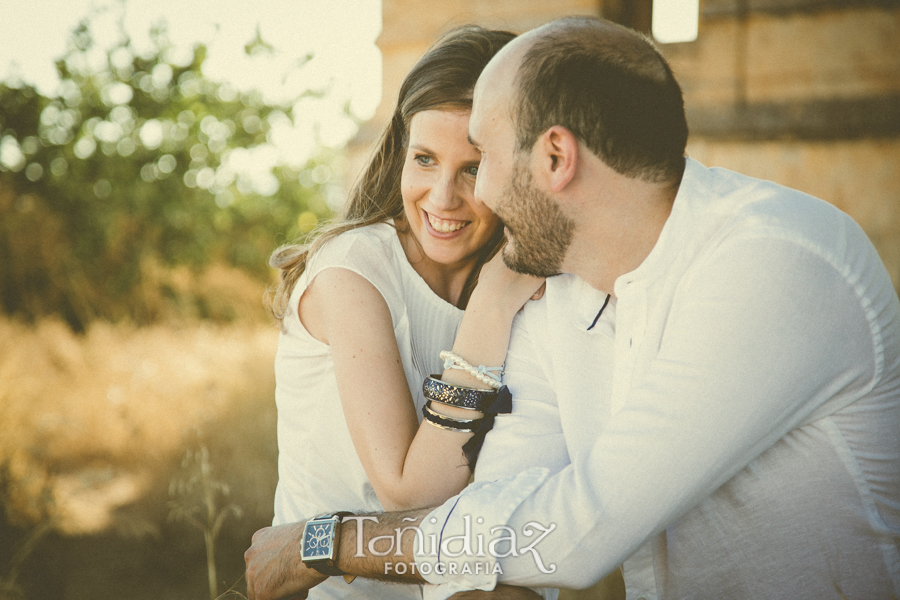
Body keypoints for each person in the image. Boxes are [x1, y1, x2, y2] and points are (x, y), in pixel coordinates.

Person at [246, 15, 900, 600]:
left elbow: (577, 528)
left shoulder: (772, 260)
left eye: (484, 158)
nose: (471, 194)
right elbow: (501, 516)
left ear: (555, 157)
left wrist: (334, 543)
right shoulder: (555, 291)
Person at [263, 25, 543, 600]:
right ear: (399, 153)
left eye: (472, 168)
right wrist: (491, 304)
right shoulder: (353, 274)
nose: (442, 198)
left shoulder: (525, 273)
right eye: (425, 159)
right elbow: (409, 494)